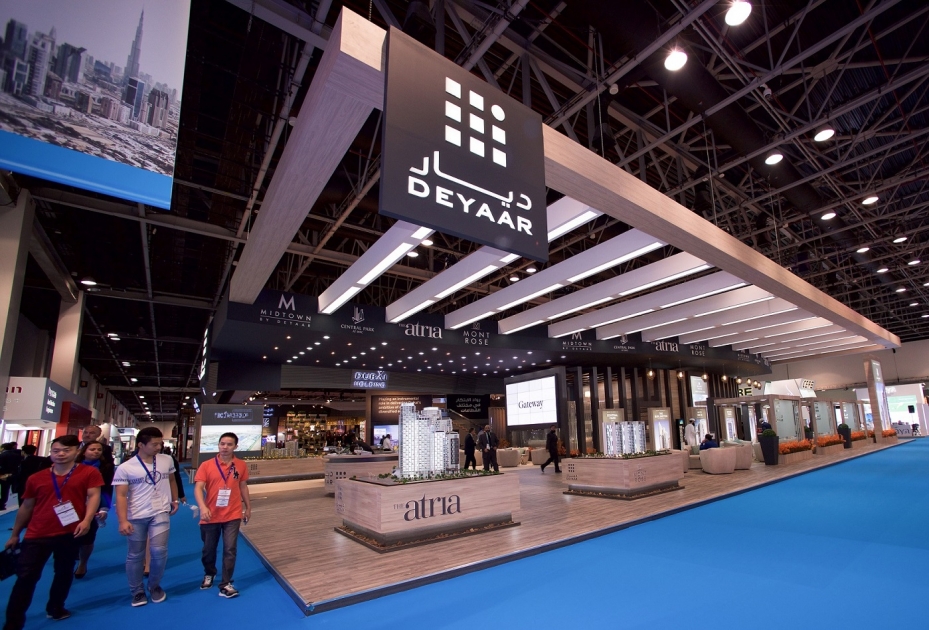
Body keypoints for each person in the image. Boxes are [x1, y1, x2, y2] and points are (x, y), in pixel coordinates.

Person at [3, 435, 102, 629]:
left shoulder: (89, 473)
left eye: (66, 450)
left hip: (70, 532)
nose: (61, 454)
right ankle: (13, 623)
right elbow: (26, 507)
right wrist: (15, 534)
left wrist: (87, 520)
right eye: (56, 451)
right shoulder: (36, 478)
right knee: (26, 578)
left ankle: (56, 607)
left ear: (77, 451)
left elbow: (93, 496)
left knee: (64, 572)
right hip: (37, 534)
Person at [113, 427, 179, 607]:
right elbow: (120, 496)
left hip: (160, 512)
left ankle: (154, 585)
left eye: (160, 443)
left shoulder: (166, 460)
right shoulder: (126, 468)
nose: (159, 447)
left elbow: (172, 480)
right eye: (154, 444)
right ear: (141, 445)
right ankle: (137, 591)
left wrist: (174, 499)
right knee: (135, 554)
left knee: (159, 552)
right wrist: (122, 520)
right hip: (136, 515)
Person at [194, 432, 251, 599]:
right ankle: (209, 572)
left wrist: (248, 507)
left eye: (229, 444)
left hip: (233, 513)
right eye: (222, 444)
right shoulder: (206, 465)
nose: (225, 447)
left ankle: (226, 583)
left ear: (236, 447)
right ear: (218, 445)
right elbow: (198, 488)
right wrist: (203, 507)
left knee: (230, 549)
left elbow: (243, 486)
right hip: (210, 514)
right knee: (208, 549)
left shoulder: (240, 465)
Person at [73, 441, 115, 579]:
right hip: (72, 505)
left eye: (99, 449)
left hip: (94, 505)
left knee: (88, 536)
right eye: (92, 449)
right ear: (84, 451)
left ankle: (82, 563)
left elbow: (107, 489)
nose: (96, 452)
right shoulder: (73, 466)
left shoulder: (106, 468)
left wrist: (104, 508)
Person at [0, 442, 23, 511]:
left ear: (3, 448)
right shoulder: (18, 455)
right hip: (12, 475)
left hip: (2, 475)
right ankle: (2, 504)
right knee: (5, 490)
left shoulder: (2, 455)